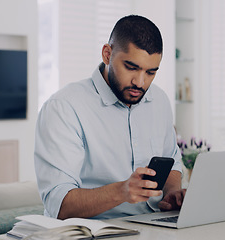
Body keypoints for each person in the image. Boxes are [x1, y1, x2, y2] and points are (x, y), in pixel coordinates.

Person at [34, 15, 185, 220]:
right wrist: (122, 191)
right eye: (131, 67)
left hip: (155, 225)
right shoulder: (64, 107)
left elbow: (172, 163)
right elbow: (58, 205)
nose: (140, 83)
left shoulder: (159, 100)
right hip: (95, 230)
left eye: (150, 72)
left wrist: (172, 194)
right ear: (107, 54)